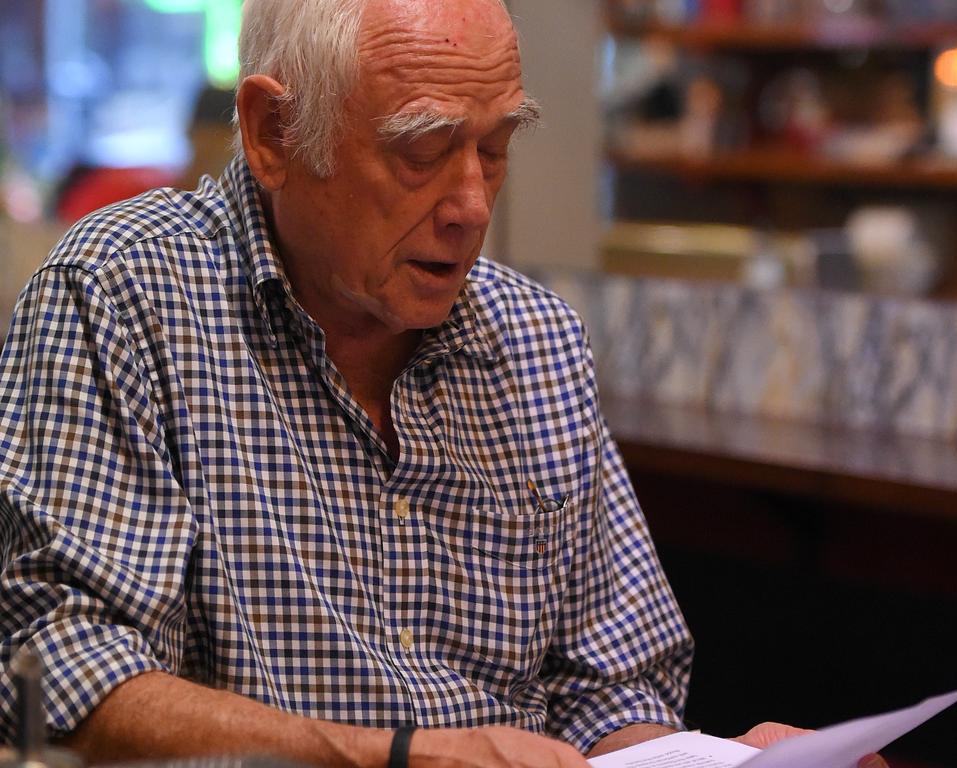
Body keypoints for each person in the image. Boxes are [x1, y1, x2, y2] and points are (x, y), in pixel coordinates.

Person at [0, 1, 886, 767]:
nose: (471, 204)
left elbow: (610, 688)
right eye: (422, 151)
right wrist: (393, 756)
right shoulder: (124, 294)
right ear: (273, 135)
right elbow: (62, 671)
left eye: (495, 148)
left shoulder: (533, 339)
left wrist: (708, 759)